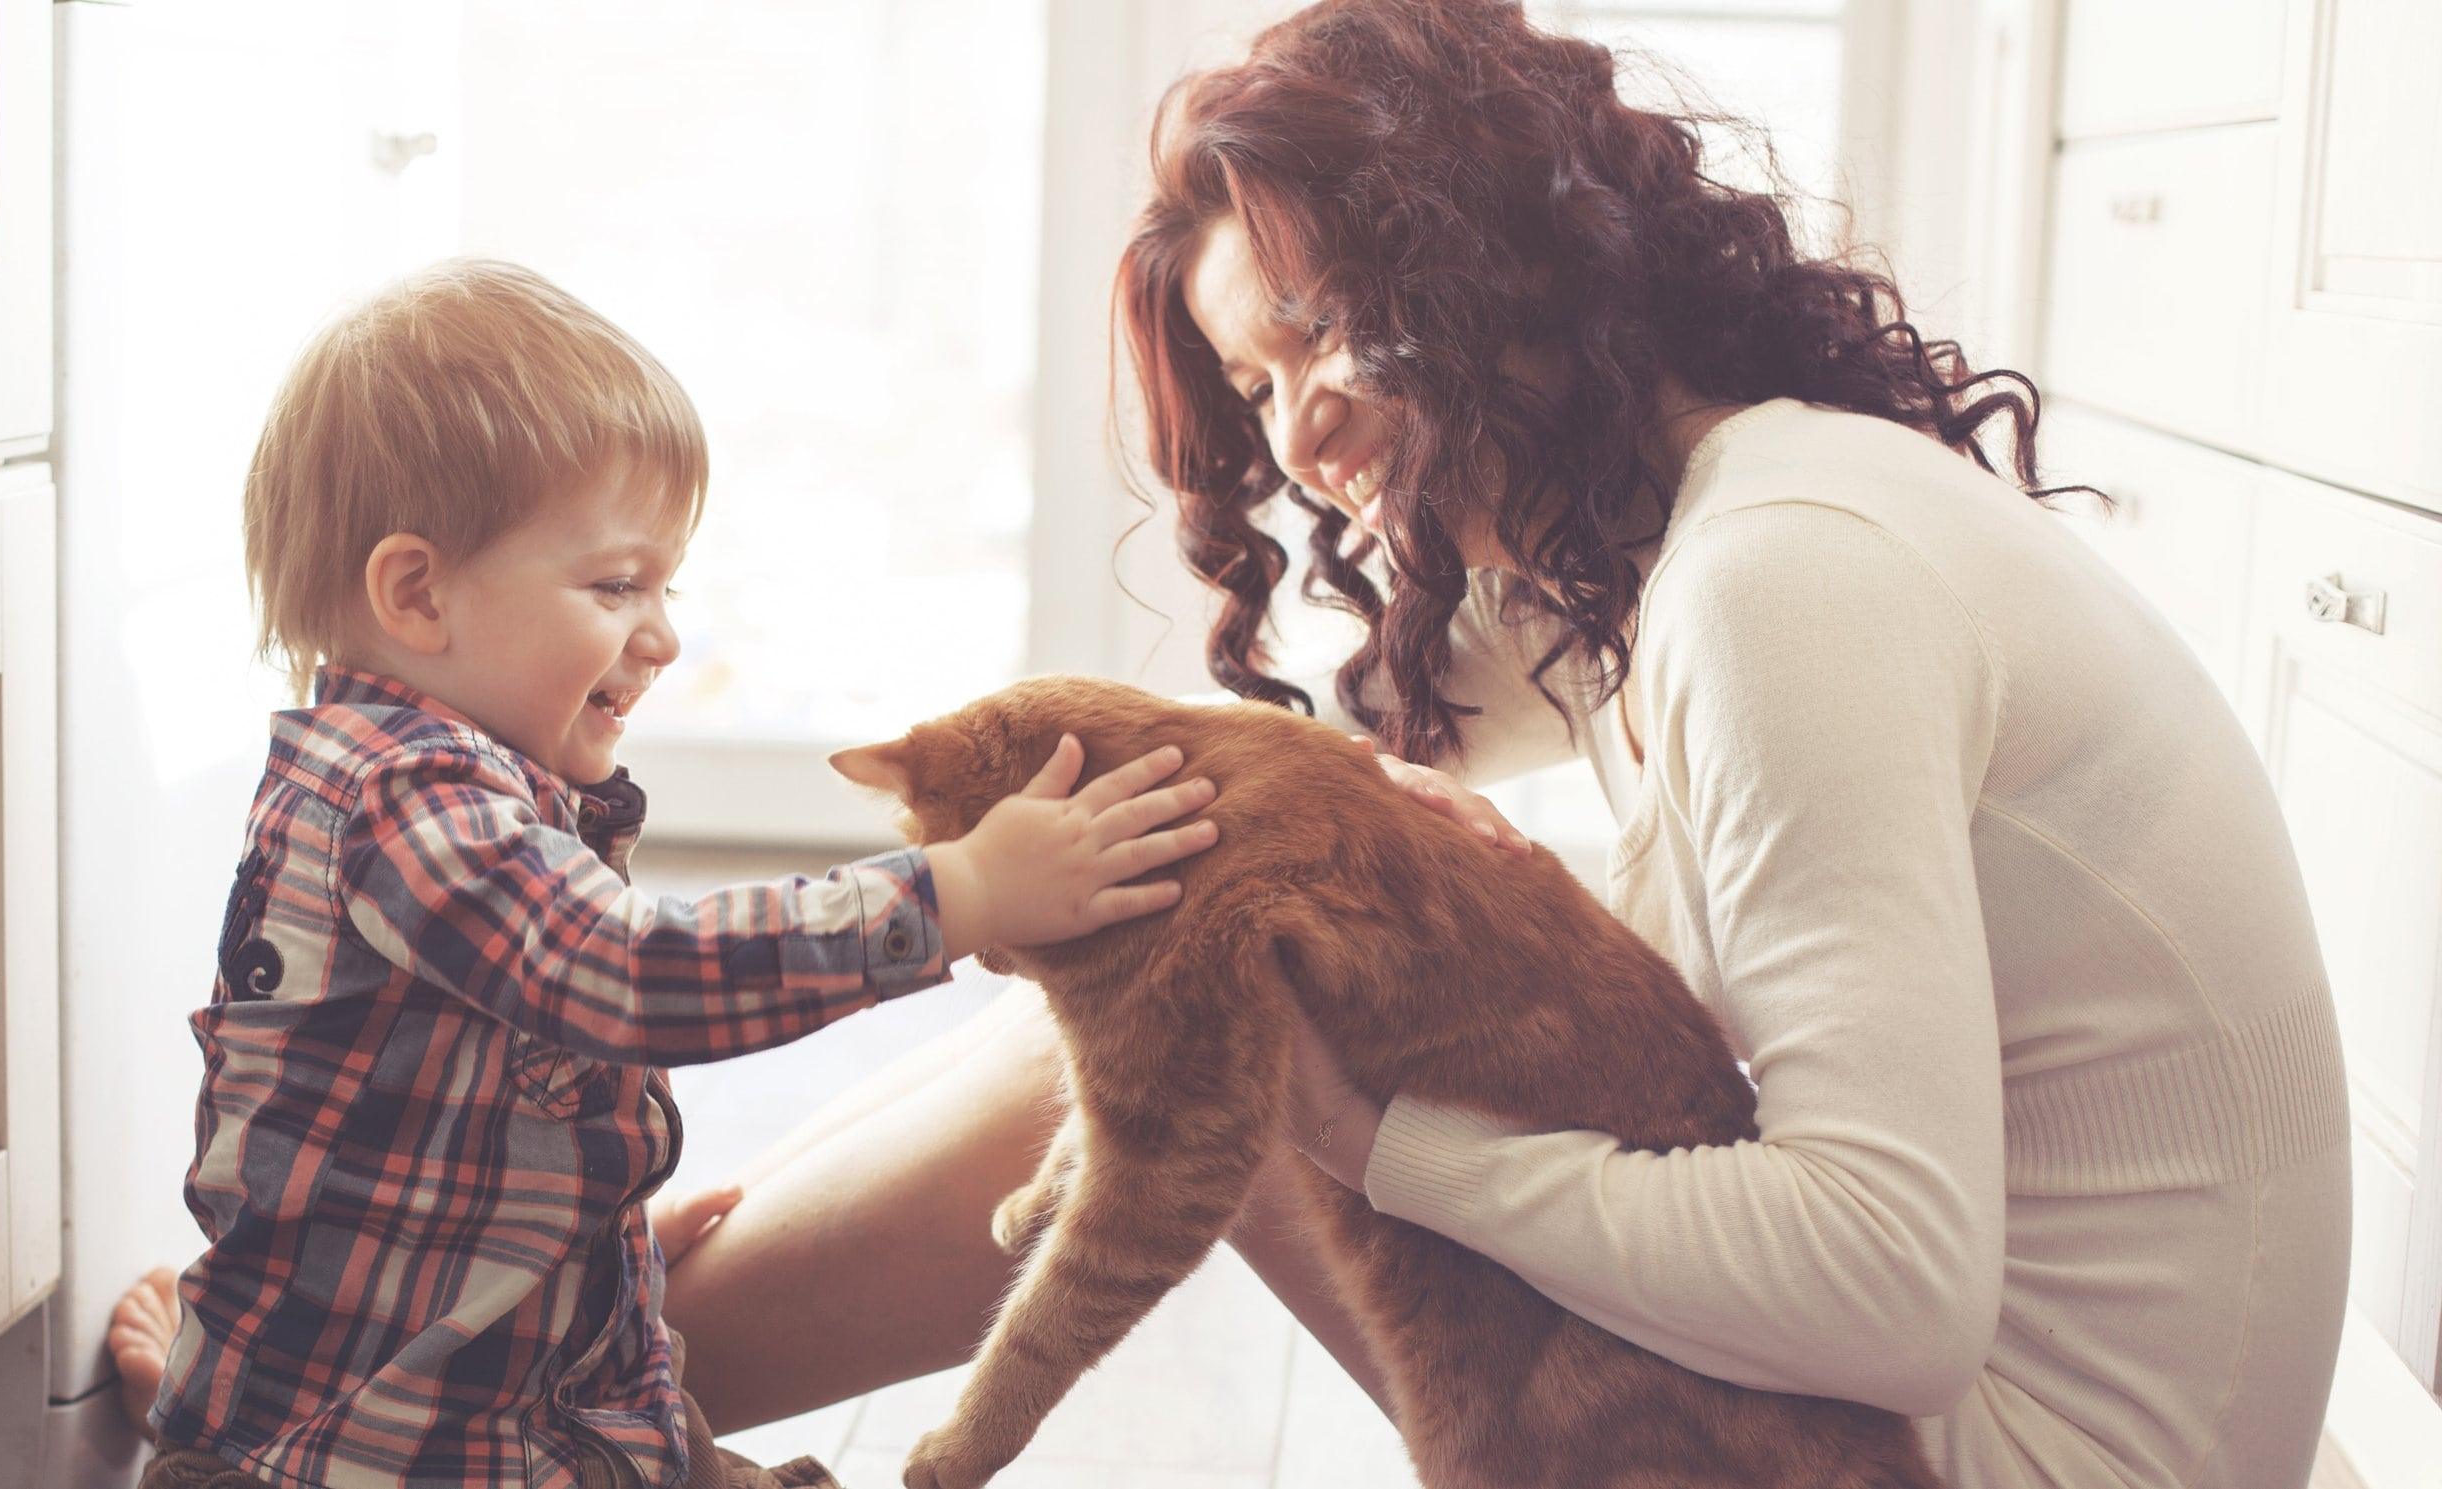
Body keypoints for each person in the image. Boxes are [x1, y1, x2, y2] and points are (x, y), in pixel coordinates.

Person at [628, 4, 2351, 1486]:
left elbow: (1890, 1290)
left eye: (1316, 334)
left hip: (1985, 1450)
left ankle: (533, 1395)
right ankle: (590, 1327)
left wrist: (1381, 1144)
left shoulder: (1783, 582)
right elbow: (1184, 816)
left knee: (1207, 982)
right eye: (1247, 384)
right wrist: (721, 1195)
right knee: (1181, 892)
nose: (1292, 434)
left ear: (1490, 263)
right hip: (1943, 1414)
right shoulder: (1664, 529)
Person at [132, 258, 1220, 1489]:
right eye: (616, 585)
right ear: (417, 593)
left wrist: (593, 1252)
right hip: (397, 1457)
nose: (662, 635)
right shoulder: (396, 797)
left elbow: (443, 1128)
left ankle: (229, 1407)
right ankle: (237, 1441)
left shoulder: (455, 780)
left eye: (668, 584)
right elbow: (629, 969)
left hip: (518, 1400)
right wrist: (957, 893)